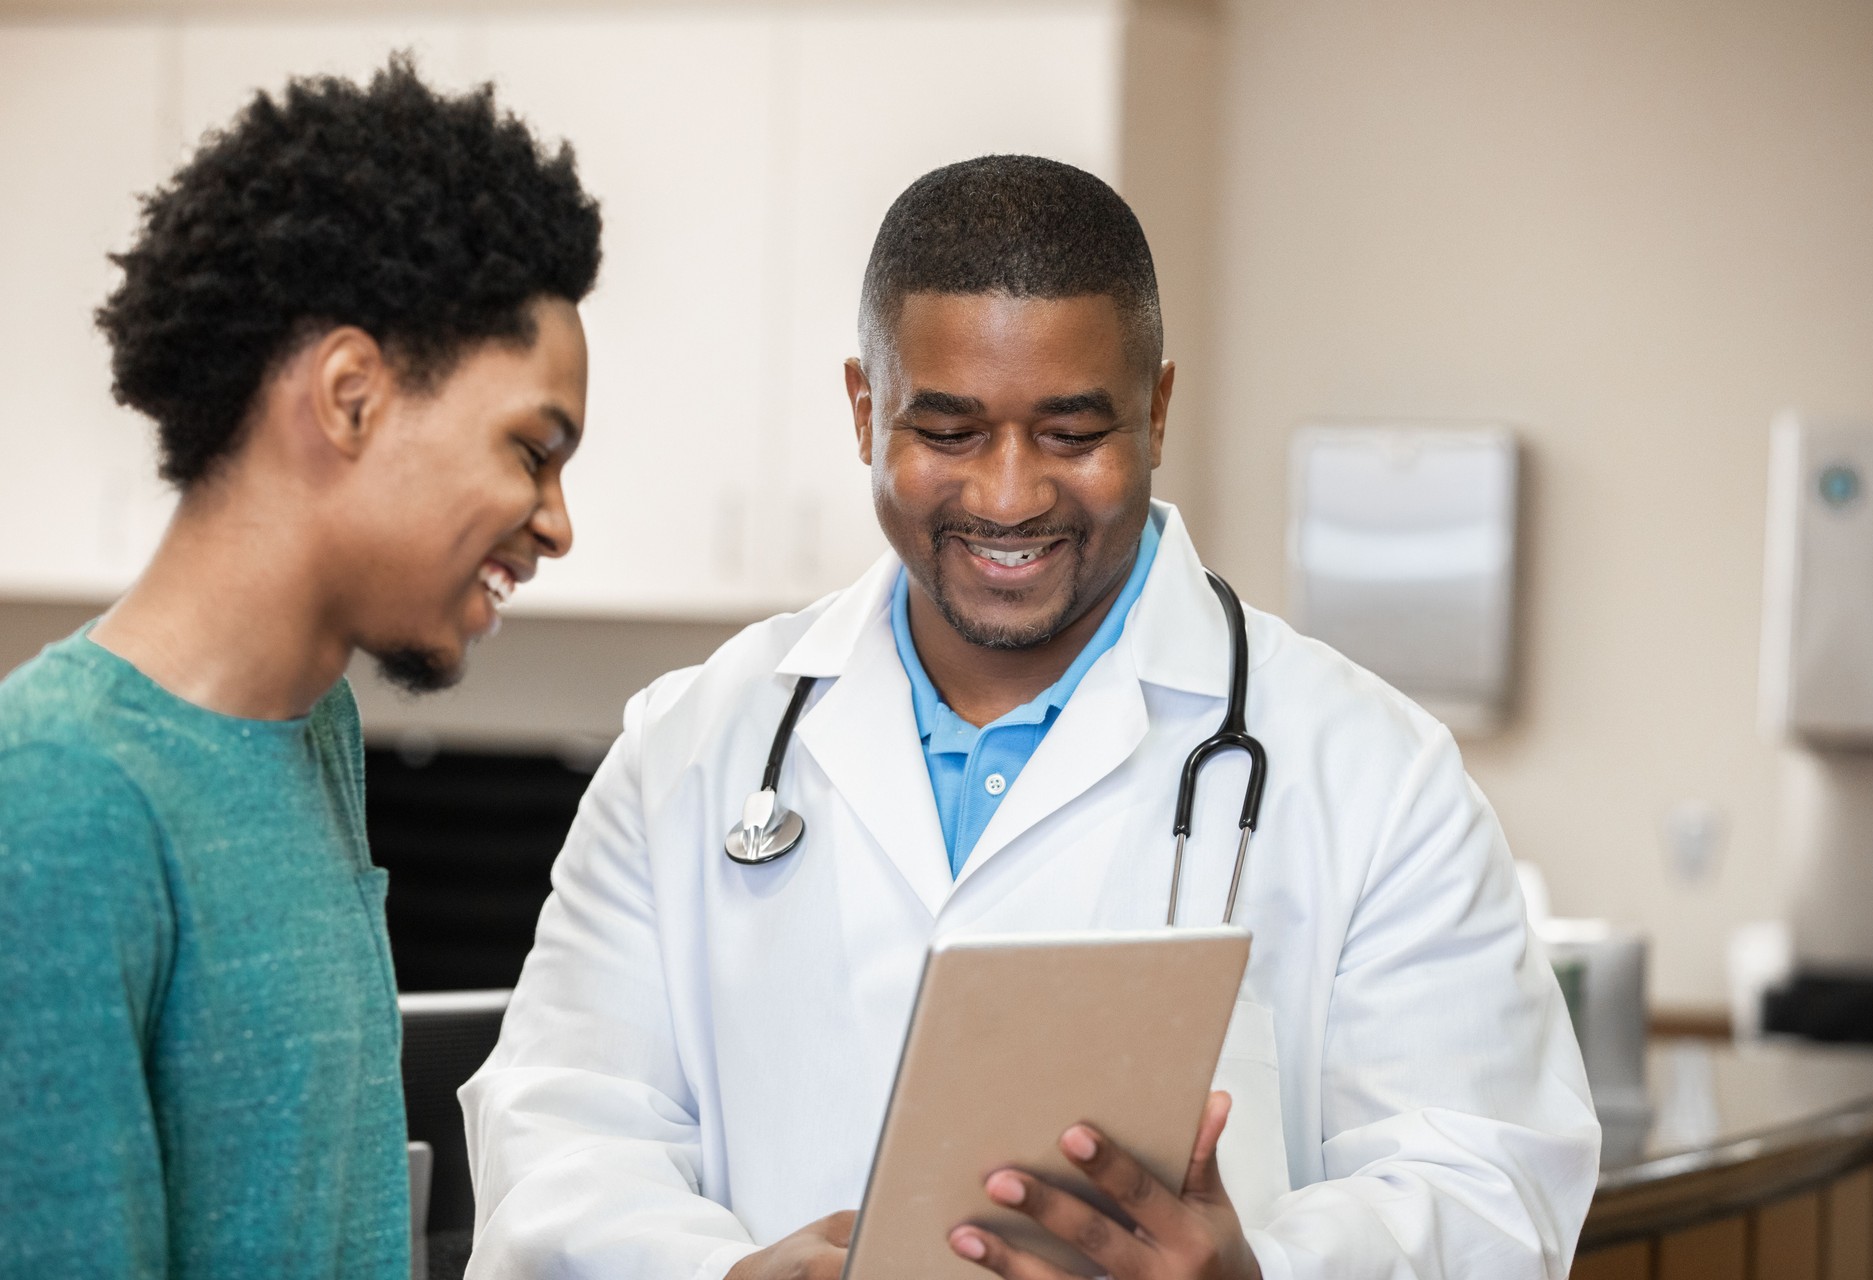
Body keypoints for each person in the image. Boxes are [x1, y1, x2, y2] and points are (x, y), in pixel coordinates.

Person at [461, 155, 1599, 1279]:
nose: (1009, 496)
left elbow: (1491, 1190)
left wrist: (1266, 1274)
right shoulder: (691, 747)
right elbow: (561, 1137)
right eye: (949, 432)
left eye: (1070, 434)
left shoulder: (1373, 770)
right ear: (865, 410)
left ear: (1156, 407)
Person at [0, 57, 600, 1278]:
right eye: (532, 450)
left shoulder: (310, 725)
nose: (556, 520)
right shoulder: (55, 795)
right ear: (351, 396)